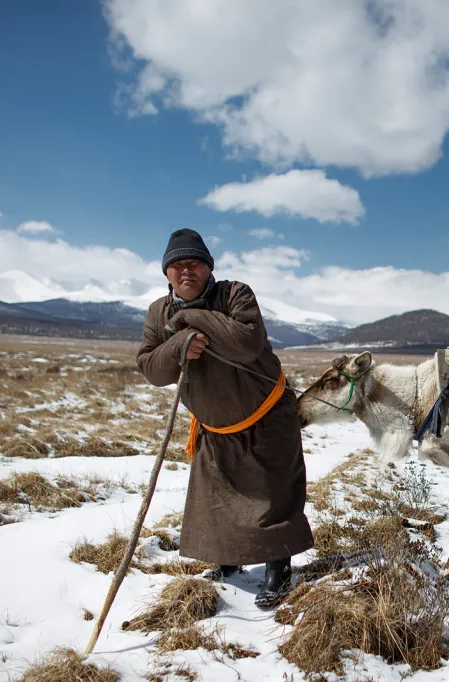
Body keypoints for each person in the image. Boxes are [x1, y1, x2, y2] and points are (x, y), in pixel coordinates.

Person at [136, 228, 313, 610]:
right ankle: (228, 561)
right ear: (166, 272)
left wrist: (191, 320)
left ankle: (278, 570)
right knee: (218, 500)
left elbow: (247, 342)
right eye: (177, 265)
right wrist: (179, 346)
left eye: (194, 263)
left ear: (208, 267)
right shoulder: (157, 313)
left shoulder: (235, 293)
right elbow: (151, 368)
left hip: (266, 415)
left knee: (272, 496)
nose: (186, 270)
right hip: (214, 426)